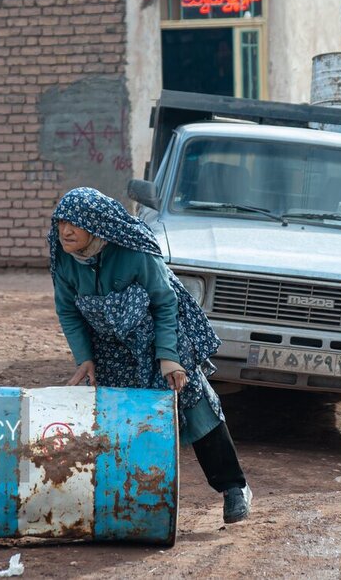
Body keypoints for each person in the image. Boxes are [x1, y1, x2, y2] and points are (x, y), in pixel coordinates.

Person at [49, 187, 252, 524]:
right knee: (120, 422)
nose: (65, 231)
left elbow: (164, 302)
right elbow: (68, 312)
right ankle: (129, 501)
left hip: (158, 336)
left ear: (97, 225)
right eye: (61, 223)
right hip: (109, 349)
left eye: (75, 223)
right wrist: (84, 358)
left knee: (196, 407)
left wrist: (169, 356)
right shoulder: (66, 261)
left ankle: (234, 488)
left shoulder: (135, 251)